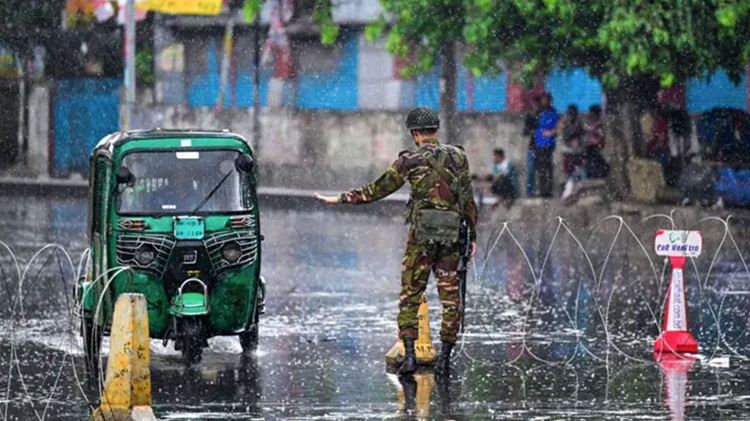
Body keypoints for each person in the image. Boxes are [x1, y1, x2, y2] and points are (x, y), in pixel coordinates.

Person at [314, 106, 478, 376]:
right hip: (452, 238)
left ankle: (411, 357)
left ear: (415, 133)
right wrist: (472, 235)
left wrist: (341, 198)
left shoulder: (409, 160)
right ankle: (446, 359)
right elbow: (468, 200)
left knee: (410, 296)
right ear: (435, 130)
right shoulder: (459, 157)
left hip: (421, 239)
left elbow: (377, 189)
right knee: (451, 299)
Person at [535, 93, 561, 198]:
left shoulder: (553, 113)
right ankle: (542, 190)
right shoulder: (540, 113)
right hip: (539, 143)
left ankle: (548, 190)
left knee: (547, 167)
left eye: (545, 100)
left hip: (548, 144)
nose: (543, 102)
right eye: (543, 100)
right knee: (540, 168)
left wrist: (552, 132)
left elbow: (560, 125)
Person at [560, 105, 586, 201]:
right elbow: (565, 135)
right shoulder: (565, 123)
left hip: (577, 152)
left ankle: (576, 191)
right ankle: (568, 192)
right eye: (569, 114)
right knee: (568, 172)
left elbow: (580, 134)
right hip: (568, 151)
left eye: (572, 114)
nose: (571, 116)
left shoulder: (579, 123)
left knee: (578, 172)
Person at [523, 95, 542, 197]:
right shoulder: (530, 116)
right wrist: (533, 132)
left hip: (543, 148)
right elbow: (525, 131)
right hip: (533, 147)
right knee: (530, 171)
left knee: (541, 171)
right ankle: (530, 192)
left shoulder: (544, 116)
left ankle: (540, 191)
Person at [585, 105, 608, 178]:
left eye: (592, 114)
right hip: (590, 145)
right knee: (591, 160)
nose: (590, 115)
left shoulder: (598, 124)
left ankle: (597, 173)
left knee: (595, 160)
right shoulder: (592, 124)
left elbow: (601, 135)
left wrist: (592, 130)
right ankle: (592, 173)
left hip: (595, 145)